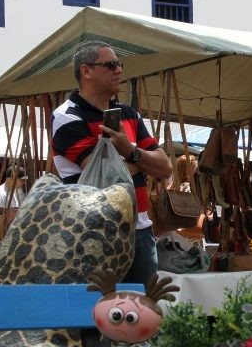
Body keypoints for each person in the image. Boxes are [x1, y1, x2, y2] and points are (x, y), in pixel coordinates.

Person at [51, 41, 172, 285]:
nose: (119, 70)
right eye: (111, 65)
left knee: (140, 313)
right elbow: (106, 176)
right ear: (86, 71)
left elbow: (166, 167)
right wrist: (140, 157)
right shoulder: (67, 117)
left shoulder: (129, 114)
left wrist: (128, 151)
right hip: (92, 231)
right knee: (95, 314)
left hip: (139, 229)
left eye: (119, 65)